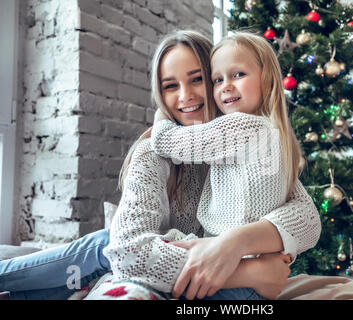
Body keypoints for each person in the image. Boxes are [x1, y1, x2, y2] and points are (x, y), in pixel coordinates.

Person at [0, 30, 321, 300]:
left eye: (198, 79)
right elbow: (129, 253)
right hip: (192, 274)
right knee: (104, 244)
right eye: (170, 86)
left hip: (204, 285)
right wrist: (247, 271)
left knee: (100, 245)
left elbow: (307, 218)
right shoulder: (152, 153)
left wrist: (235, 243)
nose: (186, 96)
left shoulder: (245, 140)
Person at [140, 30, 321, 300]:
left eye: (238, 75)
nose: (225, 86)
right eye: (217, 79)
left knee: (111, 249)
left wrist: (160, 118)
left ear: (268, 81)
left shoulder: (243, 127)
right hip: (253, 277)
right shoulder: (275, 134)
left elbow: (170, 142)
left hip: (232, 272)